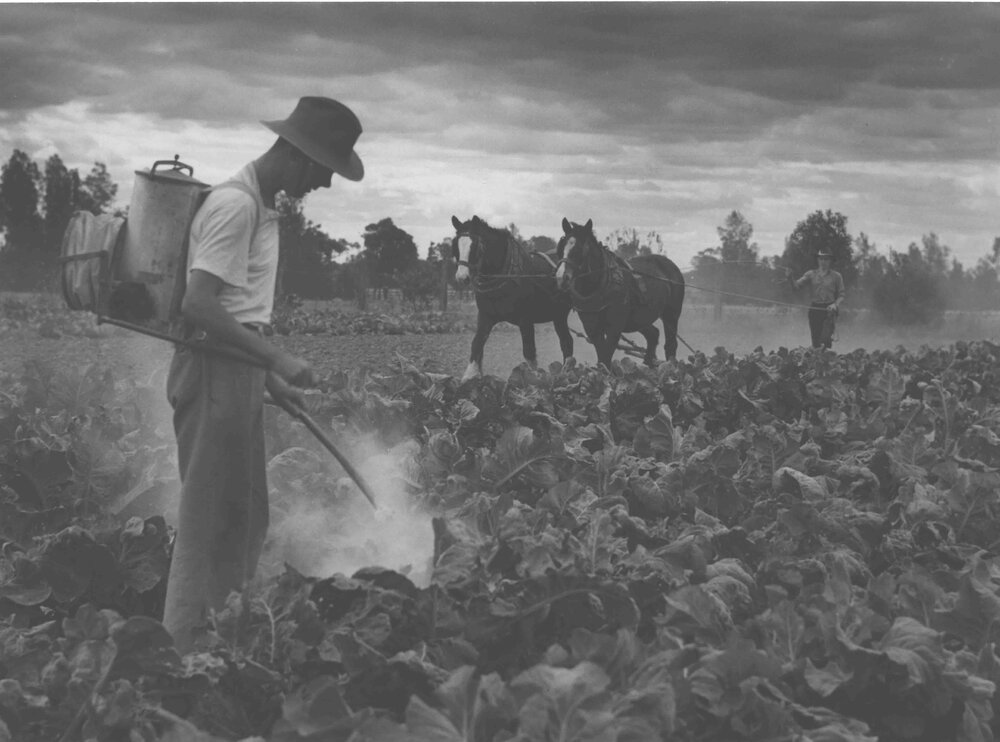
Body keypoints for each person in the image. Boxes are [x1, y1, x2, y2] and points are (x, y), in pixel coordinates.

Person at [163, 96, 364, 652]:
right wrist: (275, 359)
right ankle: (181, 654)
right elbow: (197, 305)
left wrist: (268, 379)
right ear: (299, 156)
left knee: (243, 516)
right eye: (324, 170)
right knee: (205, 523)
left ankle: (226, 635)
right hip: (210, 375)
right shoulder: (235, 206)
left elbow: (239, 308)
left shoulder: (258, 207)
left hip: (236, 374)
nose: (323, 184)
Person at [792, 250, 844, 349]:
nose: (823, 261)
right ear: (818, 260)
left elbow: (841, 295)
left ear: (830, 261)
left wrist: (835, 305)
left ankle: (825, 359)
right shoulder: (810, 274)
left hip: (829, 310)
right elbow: (796, 287)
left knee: (825, 340)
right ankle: (816, 359)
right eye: (821, 259)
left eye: (826, 259)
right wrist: (790, 278)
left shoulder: (837, 276)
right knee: (816, 341)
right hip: (815, 308)